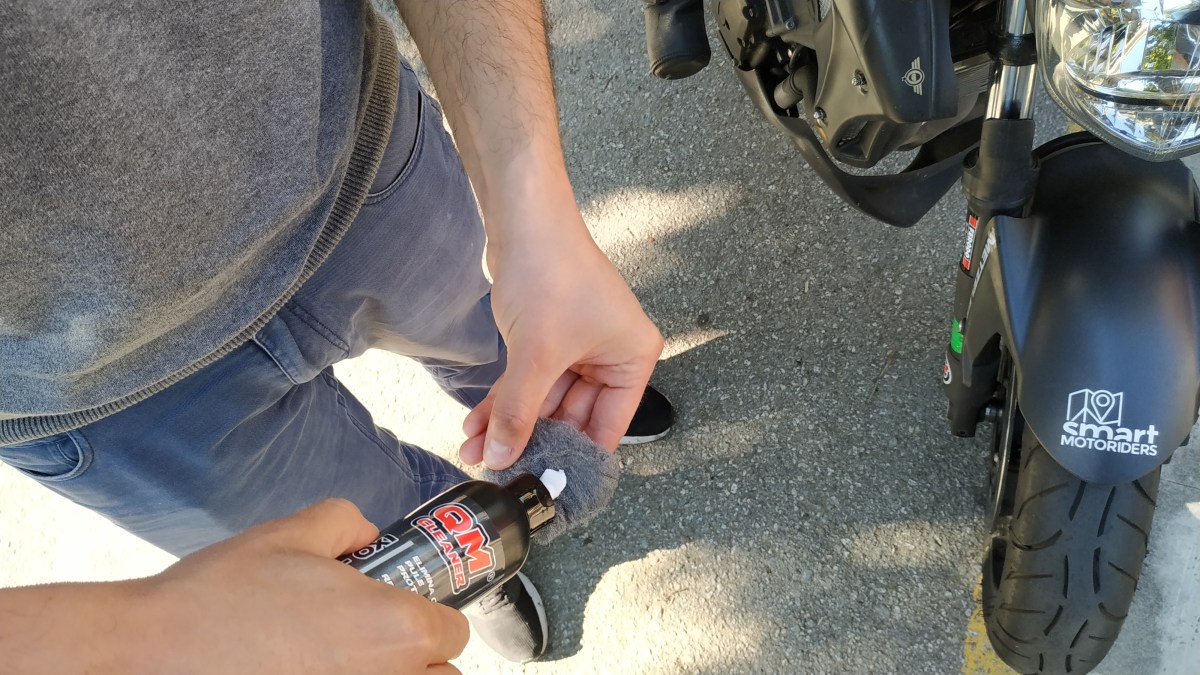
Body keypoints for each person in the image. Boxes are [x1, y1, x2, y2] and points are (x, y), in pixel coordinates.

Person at [0, 0, 673, 670]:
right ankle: (462, 573)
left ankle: (557, 410)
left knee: (489, 338)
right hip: (88, 398)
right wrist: (144, 634)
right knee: (370, 533)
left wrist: (532, 211)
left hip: (350, 152)